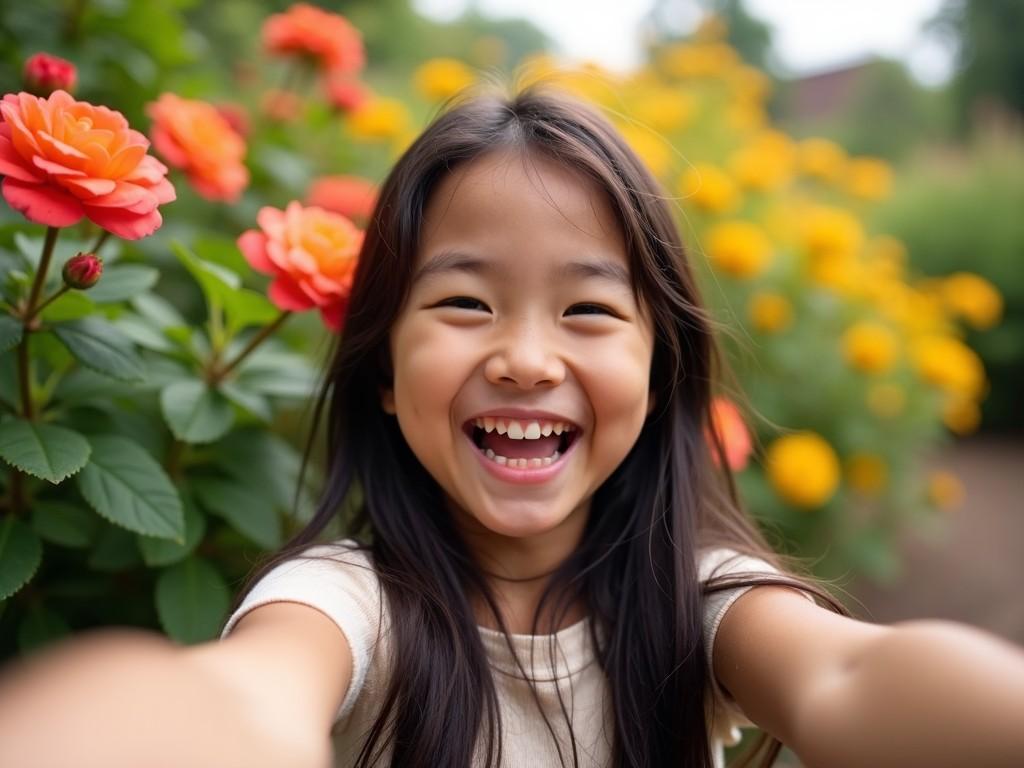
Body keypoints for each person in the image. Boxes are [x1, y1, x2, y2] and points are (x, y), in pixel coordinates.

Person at [1, 82, 1023, 768]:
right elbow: (244, 702)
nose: (527, 359)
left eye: (587, 310)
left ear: (661, 373)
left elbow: (849, 674)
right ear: (387, 375)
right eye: (462, 304)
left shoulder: (698, 602)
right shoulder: (346, 606)